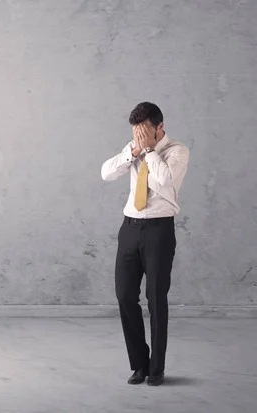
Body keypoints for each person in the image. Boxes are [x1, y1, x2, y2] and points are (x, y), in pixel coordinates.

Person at [100, 102, 190, 386]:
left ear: (159, 127)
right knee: (125, 296)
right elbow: (106, 173)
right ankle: (139, 365)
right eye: (135, 133)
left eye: (144, 133)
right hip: (129, 228)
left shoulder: (177, 151)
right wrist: (134, 151)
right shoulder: (135, 147)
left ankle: (156, 368)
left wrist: (150, 151)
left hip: (158, 231)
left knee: (155, 298)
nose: (138, 138)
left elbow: (164, 182)